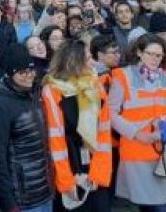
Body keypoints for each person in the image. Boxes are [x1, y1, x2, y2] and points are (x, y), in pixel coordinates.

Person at [108, 33, 166, 211]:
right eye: (150, 53)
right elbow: (110, 114)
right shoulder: (123, 76)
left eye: (159, 55)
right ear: (139, 52)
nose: (155, 59)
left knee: (164, 201)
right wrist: (137, 133)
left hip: (163, 149)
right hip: (137, 147)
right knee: (157, 205)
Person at [41, 40, 112, 211]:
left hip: (95, 167)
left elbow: (104, 135)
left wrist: (98, 173)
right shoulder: (52, 91)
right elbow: (56, 140)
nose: (93, 63)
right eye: (87, 59)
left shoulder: (96, 86)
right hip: (70, 167)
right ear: (74, 62)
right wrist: (67, 180)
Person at [0, 43, 53, 212]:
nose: (29, 76)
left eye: (31, 70)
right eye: (23, 72)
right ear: (9, 74)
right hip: (22, 201)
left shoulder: (33, 97)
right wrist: (9, 203)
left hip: (45, 193)